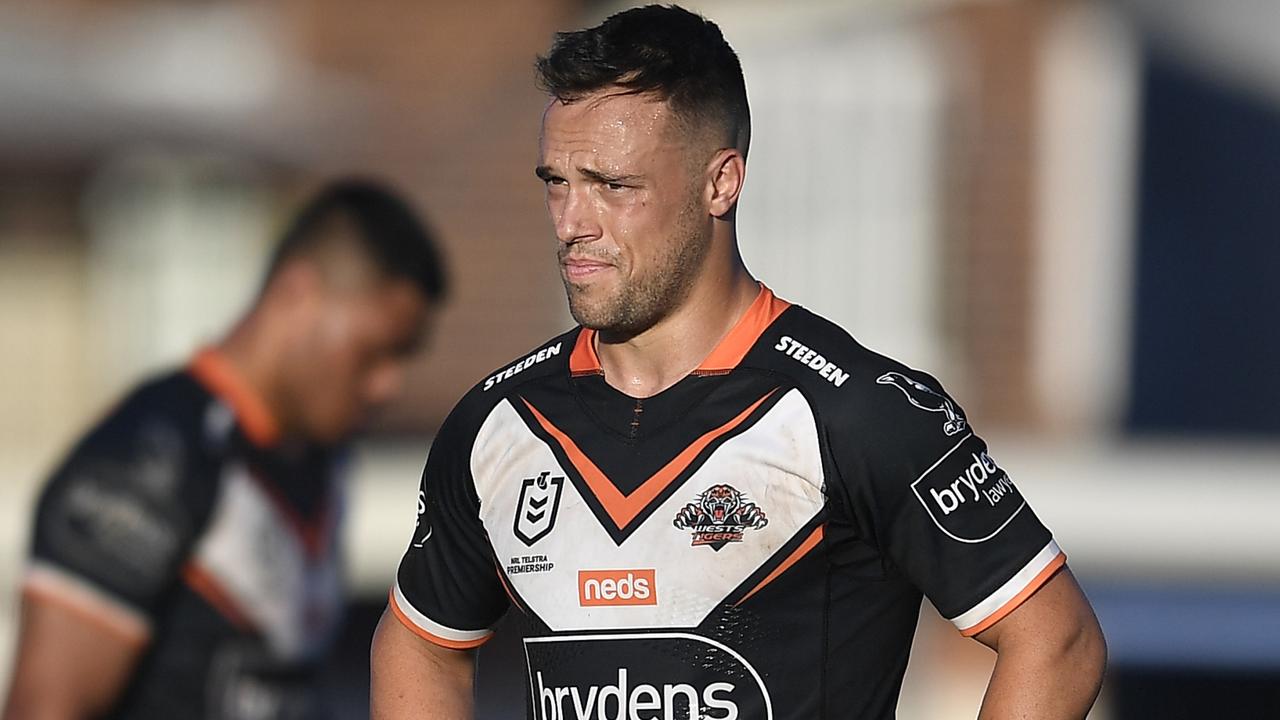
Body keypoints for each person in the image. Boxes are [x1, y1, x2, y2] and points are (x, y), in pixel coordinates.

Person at [371, 5, 1106, 719]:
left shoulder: (855, 410)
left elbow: (1057, 640)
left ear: (721, 182)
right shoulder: (497, 424)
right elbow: (418, 643)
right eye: (557, 183)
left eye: (613, 186)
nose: (572, 223)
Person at [3, 179, 448, 720]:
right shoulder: (150, 460)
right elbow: (46, 708)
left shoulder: (323, 461)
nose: (388, 387)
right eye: (376, 353)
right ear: (298, 294)